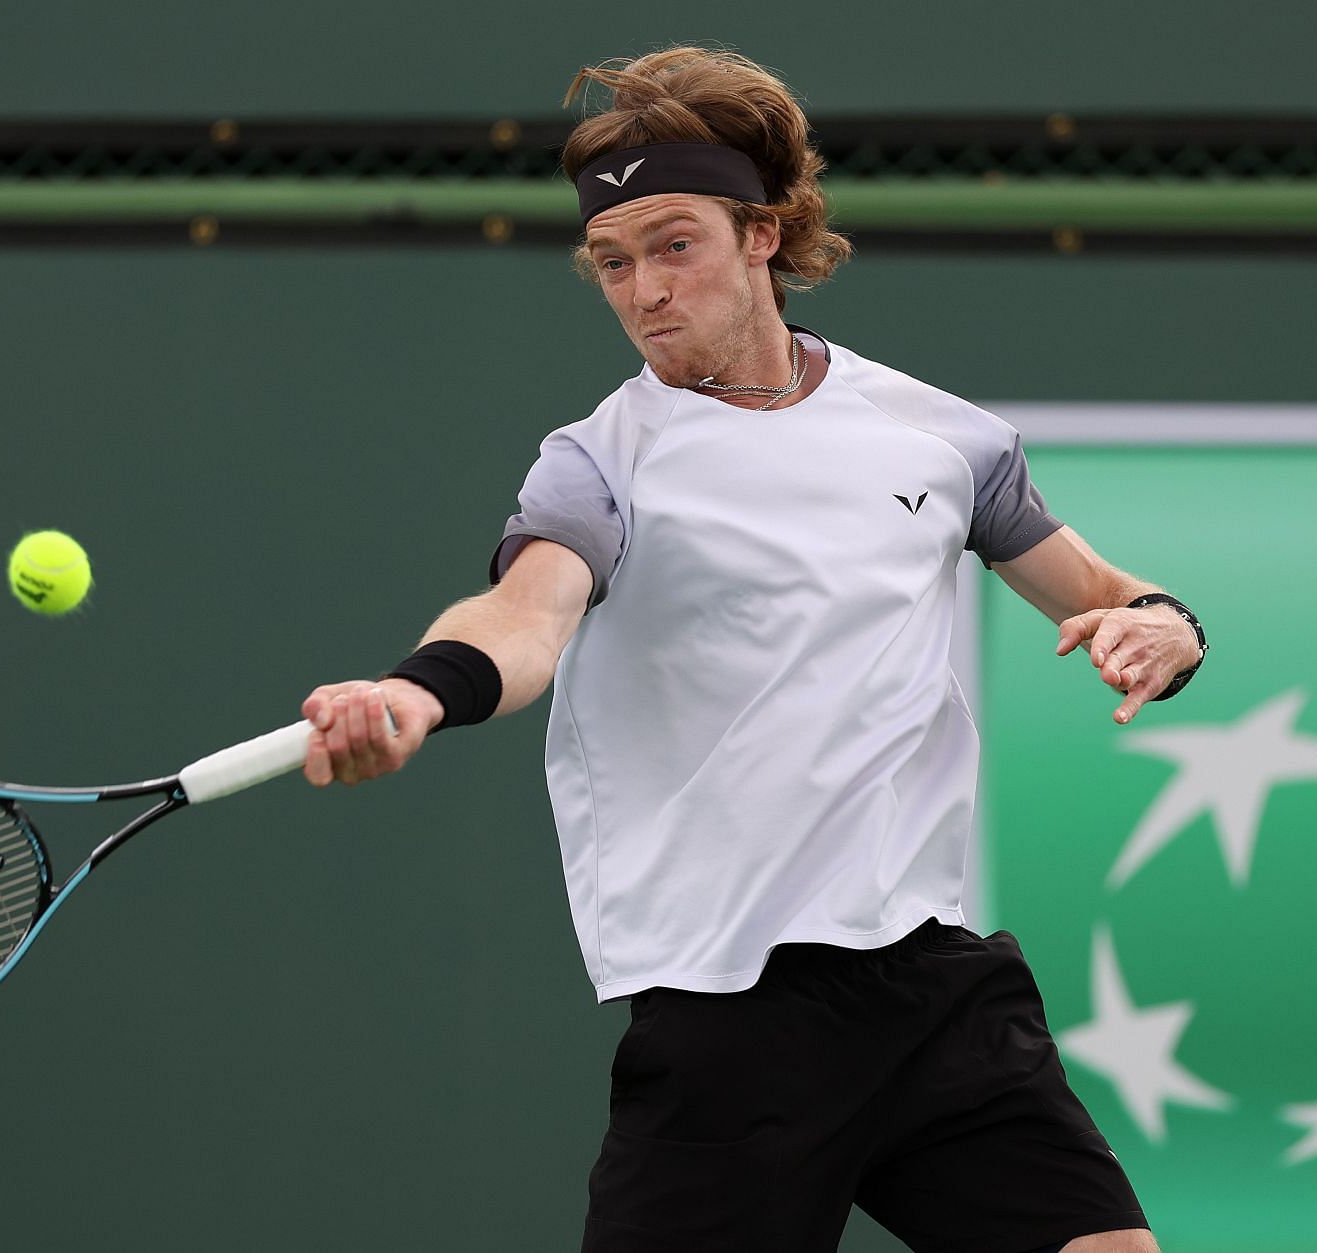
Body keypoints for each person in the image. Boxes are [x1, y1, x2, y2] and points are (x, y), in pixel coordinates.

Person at [300, 48, 1204, 1253]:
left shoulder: (939, 436)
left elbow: (1103, 590)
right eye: (613, 262)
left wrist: (1165, 625)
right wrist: (419, 693)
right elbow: (525, 615)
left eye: (675, 244)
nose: (643, 289)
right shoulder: (599, 459)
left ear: (763, 237)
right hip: (734, 1021)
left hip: (936, 985)